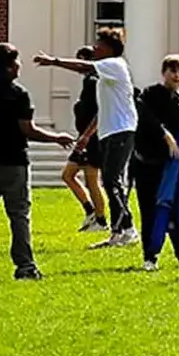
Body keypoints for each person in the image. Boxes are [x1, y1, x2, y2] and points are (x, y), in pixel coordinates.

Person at [0, 43, 75, 280]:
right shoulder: (18, 95)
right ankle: (25, 266)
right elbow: (27, 129)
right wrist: (56, 138)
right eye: (17, 61)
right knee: (19, 215)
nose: (20, 65)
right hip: (14, 162)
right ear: (10, 67)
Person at [35, 29, 137, 244]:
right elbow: (102, 110)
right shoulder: (104, 78)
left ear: (110, 49)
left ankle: (127, 230)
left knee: (111, 181)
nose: (95, 49)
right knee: (110, 181)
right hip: (110, 132)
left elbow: (84, 66)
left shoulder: (115, 64)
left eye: (99, 45)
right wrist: (87, 136)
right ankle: (121, 231)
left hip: (122, 131)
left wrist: (53, 61)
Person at [134, 55, 179, 272]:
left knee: (175, 212)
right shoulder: (150, 94)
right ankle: (150, 256)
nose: (177, 76)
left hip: (171, 168)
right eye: (173, 71)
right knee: (149, 211)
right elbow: (144, 117)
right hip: (147, 162)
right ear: (164, 72)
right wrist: (164, 134)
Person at [59, 47, 104, 232]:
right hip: (83, 138)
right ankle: (90, 211)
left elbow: (98, 111)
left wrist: (87, 135)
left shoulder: (93, 82)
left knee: (92, 180)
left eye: (80, 61)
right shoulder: (89, 82)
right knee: (68, 175)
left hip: (92, 139)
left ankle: (101, 221)